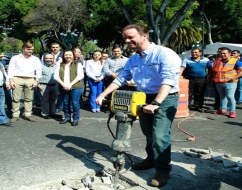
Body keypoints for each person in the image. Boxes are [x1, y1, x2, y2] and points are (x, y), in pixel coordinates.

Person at [96, 24, 181, 187]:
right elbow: (121, 78)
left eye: (130, 37)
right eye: (125, 38)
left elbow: (169, 80)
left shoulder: (164, 54)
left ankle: (163, 171)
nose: (127, 41)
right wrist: (103, 94)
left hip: (165, 97)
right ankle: (151, 159)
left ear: (144, 35)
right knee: (148, 132)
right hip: (142, 97)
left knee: (160, 136)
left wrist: (156, 102)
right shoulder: (134, 58)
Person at [8, 42, 42, 122]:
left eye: (32, 49)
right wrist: (11, 80)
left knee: (29, 99)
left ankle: (28, 114)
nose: (30, 51)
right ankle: (15, 115)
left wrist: (36, 81)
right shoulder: (15, 58)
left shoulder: (35, 59)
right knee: (16, 98)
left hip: (30, 79)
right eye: (28, 49)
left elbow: (39, 70)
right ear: (23, 49)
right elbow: (11, 70)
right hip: (17, 78)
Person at [54, 50, 84, 126]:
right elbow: (56, 76)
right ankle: (67, 117)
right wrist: (63, 85)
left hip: (75, 86)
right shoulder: (60, 64)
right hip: (63, 86)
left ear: (73, 56)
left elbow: (80, 76)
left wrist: (70, 85)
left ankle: (75, 118)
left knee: (75, 103)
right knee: (65, 102)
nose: (68, 56)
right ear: (63, 56)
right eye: (66, 55)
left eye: (70, 55)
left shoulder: (77, 64)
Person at [212, 47, 242, 118]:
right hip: (219, 82)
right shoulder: (217, 61)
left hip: (230, 82)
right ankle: (223, 109)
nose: (222, 55)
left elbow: (241, 71)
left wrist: (234, 78)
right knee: (222, 96)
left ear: (229, 54)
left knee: (230, 96)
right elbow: (214, 71)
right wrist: (213, 78)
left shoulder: (236, 61)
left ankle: (232, 111)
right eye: (221, 53)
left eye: (224, 53)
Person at [180, 48, 212, 112]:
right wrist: (179, 76)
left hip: (202, 79)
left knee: (200, 93)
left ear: (200, 53)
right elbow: (182, 68)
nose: (194, 54)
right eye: (192, 52)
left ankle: (198, 106)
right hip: (190, 79)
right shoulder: (187, 60)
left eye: (195, 52)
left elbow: (210, 69)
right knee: (189, 93)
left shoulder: (206, 60)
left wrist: (209, 78)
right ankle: (187, 106)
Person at [38, 54, 61, 119]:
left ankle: (53, 113)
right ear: (44, 59)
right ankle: (45, 114)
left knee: (53, 100)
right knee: (44, 100)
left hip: (55, 85)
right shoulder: (41, 66)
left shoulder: (57, 66)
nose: (49, 60)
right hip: (44, 85)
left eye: (51, 58)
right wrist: (38, 85)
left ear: (53, 59)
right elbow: (37, 75)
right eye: (47, 58)